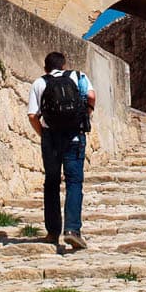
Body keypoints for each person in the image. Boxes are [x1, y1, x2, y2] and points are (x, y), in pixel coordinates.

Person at [26, 51, 96, 249]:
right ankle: (72, 230)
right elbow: (91, 95)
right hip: (74, 136)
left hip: (51, 139)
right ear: (64, 65)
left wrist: (43, 134)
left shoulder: (39, 83)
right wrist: (86, 115)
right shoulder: (78, 76)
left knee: (52, 182)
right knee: (74, 182)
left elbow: (33, 115)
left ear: (45, 67)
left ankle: (52, 232)